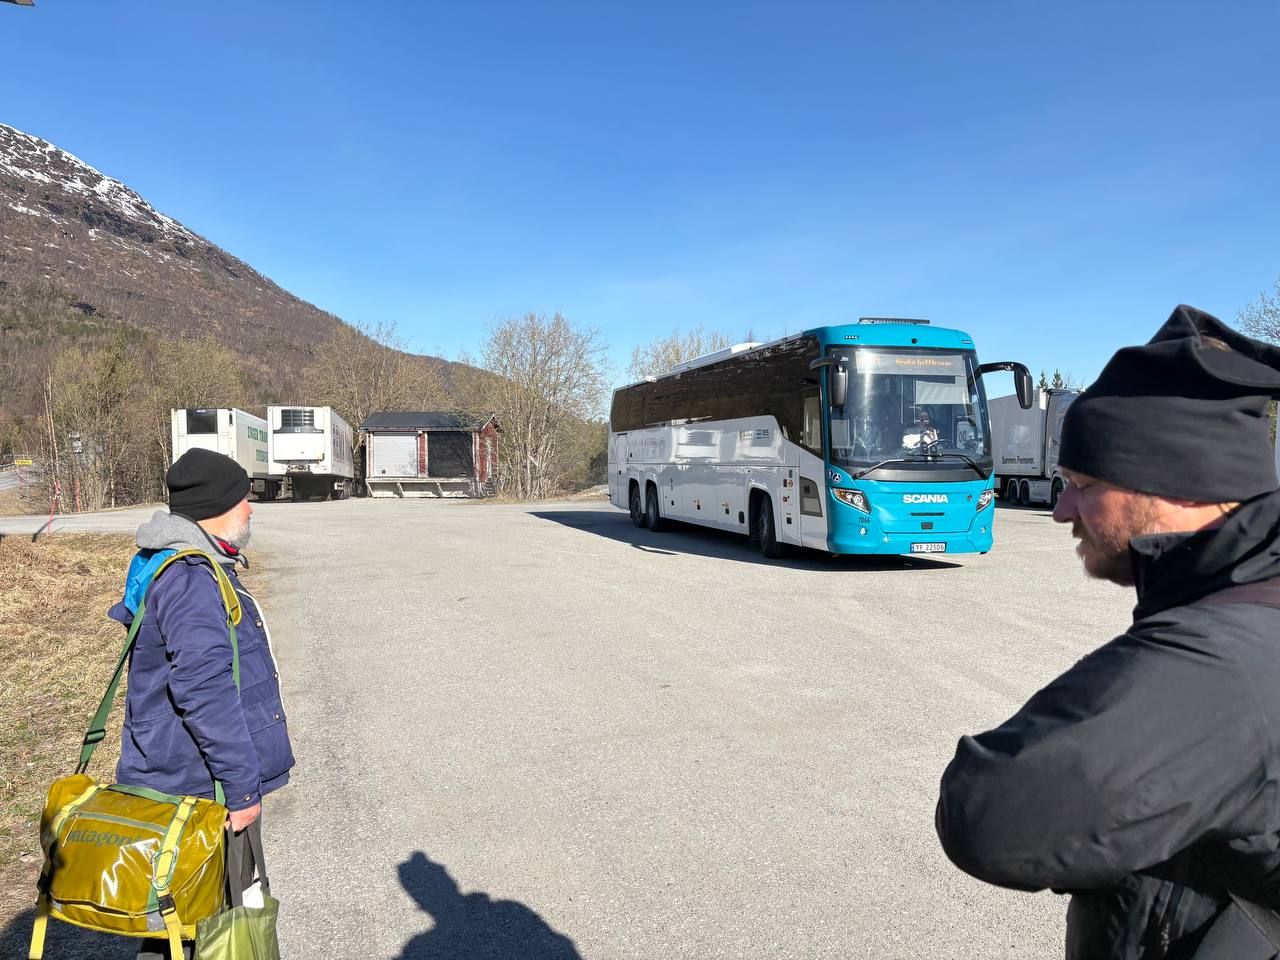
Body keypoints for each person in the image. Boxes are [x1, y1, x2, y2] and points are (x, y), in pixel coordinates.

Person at [935, 305, 1280, 959]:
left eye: (1083, 485)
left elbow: (990, 815)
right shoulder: (1240, 601)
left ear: (1180, 486)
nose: (1061, 508)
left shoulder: (1225, 653)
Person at [109, 448, 294, 960]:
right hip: (198, 787)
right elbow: (206, 692)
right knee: (201, 930)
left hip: (184, 776)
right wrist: (240, 788)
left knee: (182, 923)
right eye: (244, 499)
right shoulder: (191, 578)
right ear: (217, 506)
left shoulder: (181, 564)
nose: (251, 509)